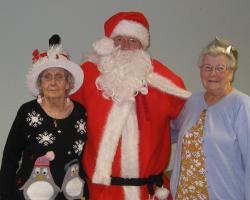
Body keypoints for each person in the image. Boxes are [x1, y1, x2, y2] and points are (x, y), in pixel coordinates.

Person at [71, 11, 191, 200]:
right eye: (119, 39)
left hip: (148, 192)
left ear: (142, 45)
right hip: (100, 191)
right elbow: (63, 113)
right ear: (110, 43)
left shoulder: (163, 80)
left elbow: (189, 121)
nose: (125, 46)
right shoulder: (88, 75)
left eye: (133, 40)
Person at [0, 34, 87, 199]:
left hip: (72, 195)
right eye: (47, 77)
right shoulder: (27, 112)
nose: (53, 82)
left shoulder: (81, 113)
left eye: (59, 77)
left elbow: (85, 160)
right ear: (40, 83)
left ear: (68, 83)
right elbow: (9, 159)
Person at [170, 37, 250, 199]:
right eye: (207, 67)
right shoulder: (192, 101)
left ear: (231, 72)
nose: (213, 73)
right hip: (185, 195)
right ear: (200, 70)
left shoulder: (241, 104)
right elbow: (170, 132)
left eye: (220, 68)